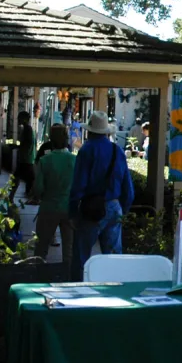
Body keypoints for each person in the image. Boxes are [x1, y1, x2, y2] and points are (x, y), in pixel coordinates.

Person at [68, 110, 134, 279]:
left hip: (91, 208)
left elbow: (78, 185)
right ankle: (115, 292)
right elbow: (128, 187)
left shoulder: (86, 150)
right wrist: (122, 209)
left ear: (89, 131)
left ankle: (78, 293)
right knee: (113, 258)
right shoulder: (117, 151)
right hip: (114, 206)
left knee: (81, 257)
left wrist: (73, 212)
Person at [30, 124, 75, 272]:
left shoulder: (45, 160)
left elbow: (38, 189)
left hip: (48, 207)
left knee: (41, 249)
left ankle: (38, 278)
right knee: (69, 250)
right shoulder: (74, 160)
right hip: (69, 208)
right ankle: (68, 280)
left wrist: (40, 196)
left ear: (51, 139)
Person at [9, 111, 36, 204]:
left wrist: (17, 147)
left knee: (20, 178)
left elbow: (27, 144)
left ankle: (11, 197)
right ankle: (12, 197)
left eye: (19, 118)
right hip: (26, 158)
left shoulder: (27, 129)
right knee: (27, 179)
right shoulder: (26, 129)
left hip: (26, 159)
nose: (17, 120)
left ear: (24, 119)